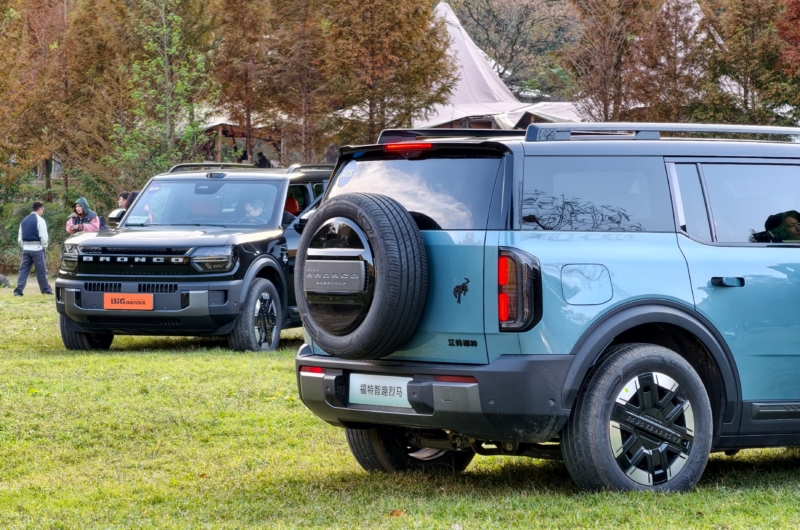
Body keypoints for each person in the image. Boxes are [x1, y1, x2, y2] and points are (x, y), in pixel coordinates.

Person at [14, 201, 53, 296]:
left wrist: (24, 246)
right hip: (38, 249)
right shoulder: (40, 220)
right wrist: (44, 246)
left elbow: (20, 237)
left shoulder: (24, 220)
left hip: (26, 249)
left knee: (23, 271)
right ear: (40, 209)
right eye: (42, 210)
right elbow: (43, 236)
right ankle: (45, 290)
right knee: (41, 271)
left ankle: (18, 291)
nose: (42, 212)